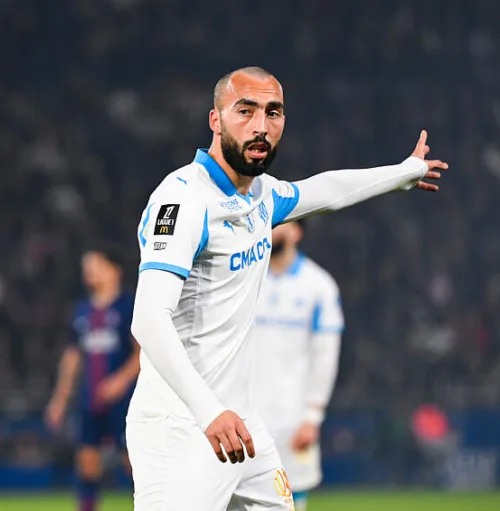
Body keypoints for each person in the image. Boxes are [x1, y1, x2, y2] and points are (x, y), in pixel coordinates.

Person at [128, 66, 448, 511]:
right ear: (216, 120)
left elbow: (323, 190)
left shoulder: (260, 196)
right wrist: (208, 412)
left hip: (241, 421)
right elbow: (148, 319)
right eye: (246, 111)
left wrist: (402, 173)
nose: (261, 126)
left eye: (273, 113)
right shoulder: (183, 201)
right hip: (183, 425)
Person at [250, 220, 344, 511]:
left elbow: (325, 355)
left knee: (290, 497)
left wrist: (312, 416)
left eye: (280, 223)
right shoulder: (245, 277)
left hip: (291, 416)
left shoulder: (318, 285)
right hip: (243, 413)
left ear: (296, 232)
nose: (271, 229)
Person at [45, 246, 140, 511]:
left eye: (97, 266)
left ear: (114, 270)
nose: (90, 272)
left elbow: (142, 351)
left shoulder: (128, 306)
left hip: (126, 400)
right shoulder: (81, 311)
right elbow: (72, 357)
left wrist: (120, 380)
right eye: (86, 267)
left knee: (133, 464)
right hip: (90, 399)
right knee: (87, 464)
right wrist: (60, 399)